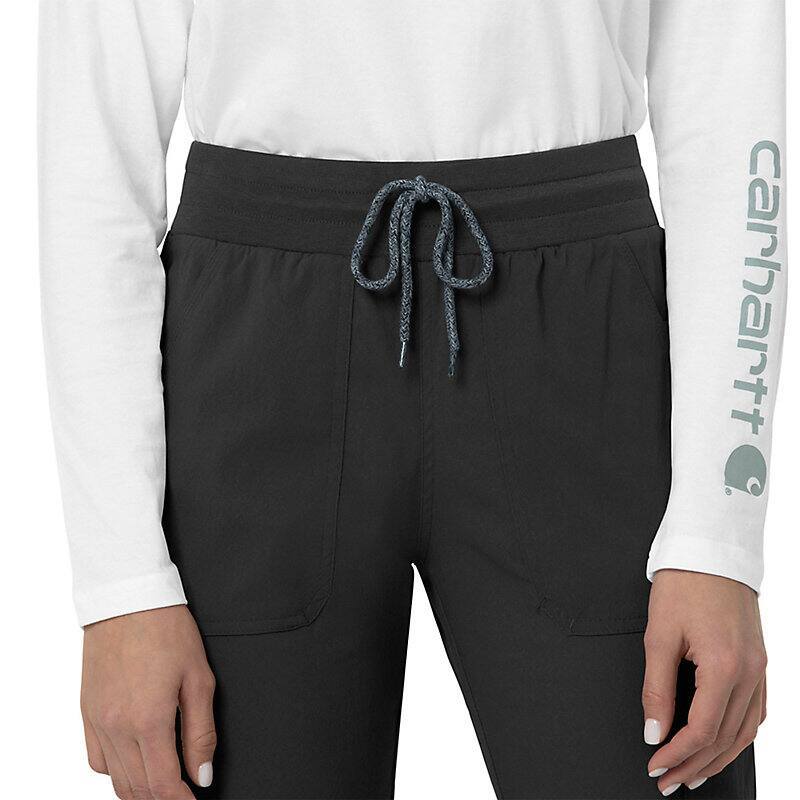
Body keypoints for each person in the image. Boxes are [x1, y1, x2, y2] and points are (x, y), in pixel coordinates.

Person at [38, 2, 786, 798]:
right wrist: (123, 584)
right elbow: (96, 153)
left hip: (580, 334)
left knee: (669, 757)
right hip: (260, 344)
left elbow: (728, 112)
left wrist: (717, 538)